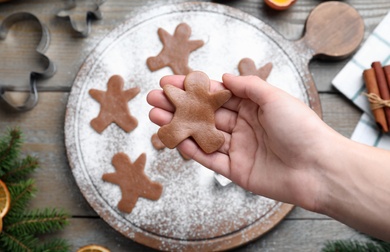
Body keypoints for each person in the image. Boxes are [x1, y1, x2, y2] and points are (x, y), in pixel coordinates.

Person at [147, 73, 390, 241]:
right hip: (201, 130)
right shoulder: (201, 100)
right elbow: (208, 98)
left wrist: (318, 162)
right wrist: (320, 167)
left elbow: (211, 98)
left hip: (205, 131)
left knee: (193, 134)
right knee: (191, 133)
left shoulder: (204, 99)